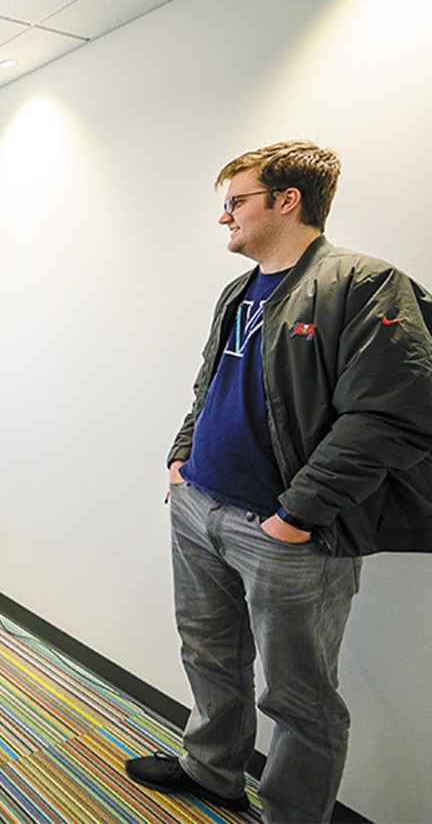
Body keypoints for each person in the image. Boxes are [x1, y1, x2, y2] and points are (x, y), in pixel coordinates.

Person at [125, 141, 432, 822]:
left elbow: (389, 415)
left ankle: (292, 813)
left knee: (298, 695)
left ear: (287, 200)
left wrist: (299, 512)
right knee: (208, 652)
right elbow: (211, 384)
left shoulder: (365, 285)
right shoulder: (240, 290)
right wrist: (182, 459)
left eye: (235, 201)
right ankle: (212, 770)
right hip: (200, 504)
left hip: (290, 535)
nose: (224, 217)